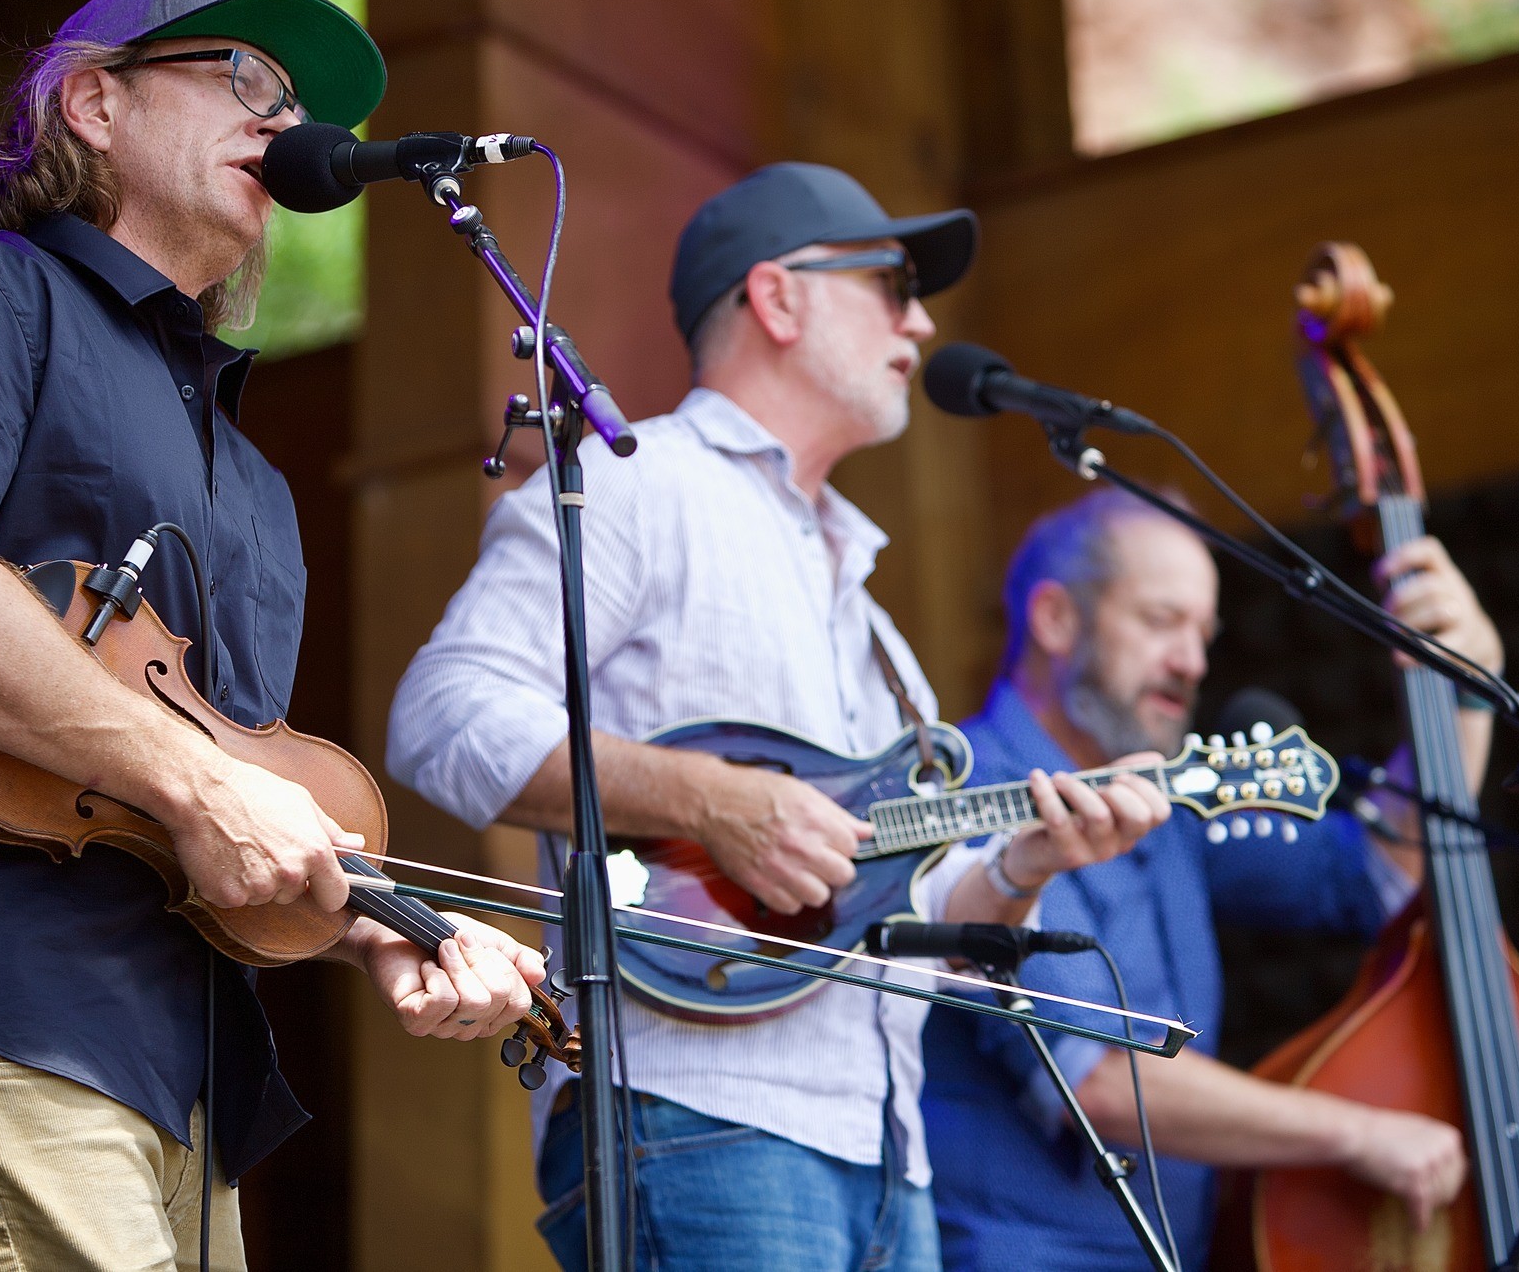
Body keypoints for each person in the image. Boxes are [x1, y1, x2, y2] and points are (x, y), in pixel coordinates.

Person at [0, 0, 542, 1271]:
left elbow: (228, 799)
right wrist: (203, 784)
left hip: (190, 1090)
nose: (283, 117)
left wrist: (396, 930)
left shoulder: (256, 482)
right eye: (241, 77)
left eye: (296, 99)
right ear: (93, 103)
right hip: (7, 1009)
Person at [388, 162, 1172, 1271]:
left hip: (888, 1150)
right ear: (778, 296)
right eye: (892, 283)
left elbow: (899, 902)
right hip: (696, 1117)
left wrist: (1028, 860)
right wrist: (712, 800)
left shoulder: (874, 621)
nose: (923, 319)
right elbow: (441, 711)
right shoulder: (637, 484)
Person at [922, 488, 1493, 1269]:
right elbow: (1097, 1076)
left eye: (1203, 633)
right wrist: (1357, 1131)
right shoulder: (966, 793)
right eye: (1162, 621)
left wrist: (1463, 694)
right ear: (1055, 620)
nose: (1192, 661)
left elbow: (1372, 876)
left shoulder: (1169, 805)